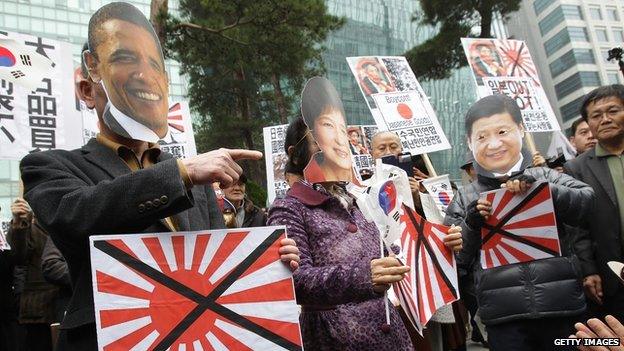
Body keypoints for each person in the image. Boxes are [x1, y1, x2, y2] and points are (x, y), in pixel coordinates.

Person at [19, 4, 299, 350]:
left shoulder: (194, 179)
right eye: (123, 58)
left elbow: (214, 265)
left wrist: (268, 260)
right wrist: (181, 174)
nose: (144, 74)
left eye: (155, 64)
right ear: (88, 89)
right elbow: (74, 215)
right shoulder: (49, 167)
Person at [268, 117, 464, 350]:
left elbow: (397, 250)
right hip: (336, 338)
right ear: (296, 153)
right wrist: (363, 276)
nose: (338, 145)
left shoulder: (361, 197)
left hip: (393, 336)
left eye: (341, 137)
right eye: (321, 140)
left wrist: (440, 244)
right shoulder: (289, 207)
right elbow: (295, 281)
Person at [444, 94, 594, 351]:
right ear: (470, 143)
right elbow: (456, 260)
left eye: (502, 131)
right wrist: (472, 222)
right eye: (481, 137)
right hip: (503, 317)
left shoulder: (545, 175)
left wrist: (542, 190)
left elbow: (586, 204)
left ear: (521, 130)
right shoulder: (464, 195)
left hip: (562, 306)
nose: (494, 144)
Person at [565, 85, 624, 322]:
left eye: (613, 111)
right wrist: (588, 269)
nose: (606, 119)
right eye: (596, 116)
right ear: (588, 123)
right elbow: (576, 227)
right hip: (612, 273)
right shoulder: (577, 168)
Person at [6, 198, 59, 351]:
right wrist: (19, 225)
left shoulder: (70, 220)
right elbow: (18, 257)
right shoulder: (29, 224)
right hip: (39, 310)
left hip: (66, 305)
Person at [301, 77, 354, 182]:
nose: (340, 140)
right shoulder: (305, 184)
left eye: (343, 130)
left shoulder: (367, 179)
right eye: (328, 125)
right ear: (312, 133)